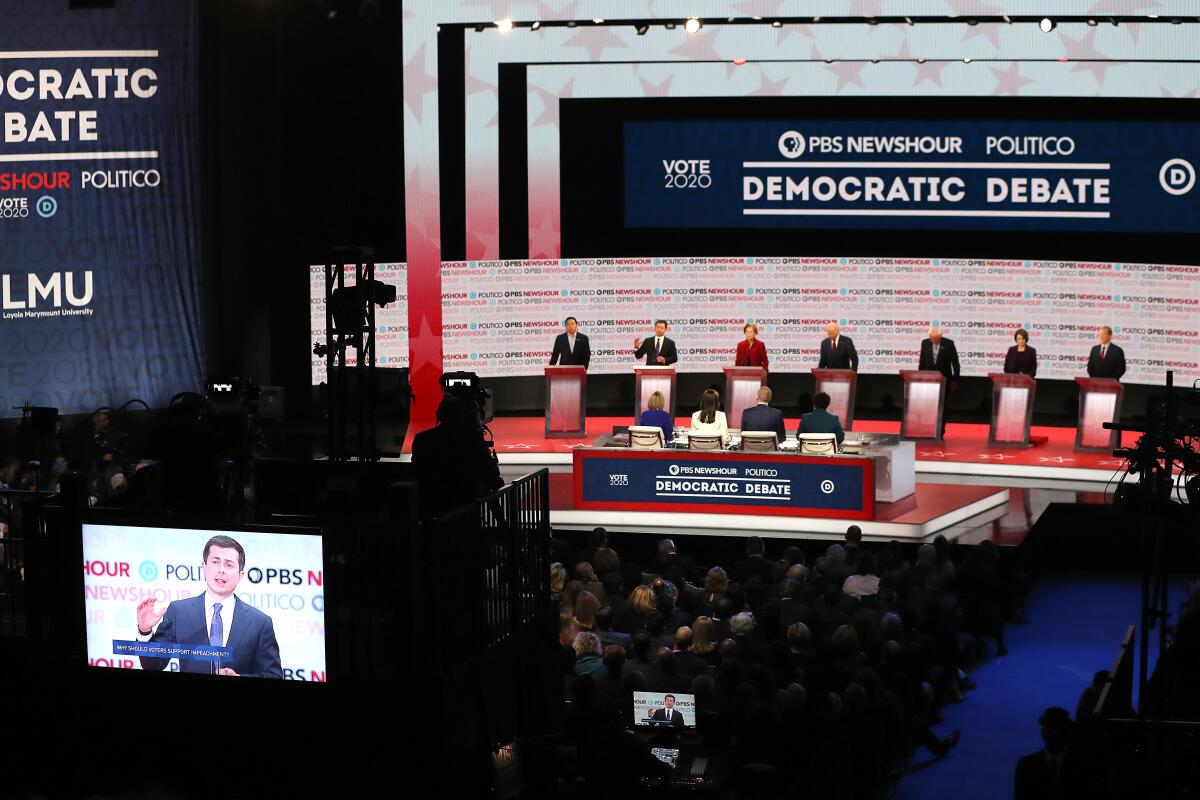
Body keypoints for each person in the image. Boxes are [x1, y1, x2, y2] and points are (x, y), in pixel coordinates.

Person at [134, 535, 282, 677]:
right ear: (203, 567)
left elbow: (273, 675)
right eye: (215, 562)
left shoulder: (260, 623)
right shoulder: (178, 612)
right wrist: (145, 631)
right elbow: (153, 664)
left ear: (240, 575)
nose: (221, 570)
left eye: (229, 564)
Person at [410, 395, 504, 518]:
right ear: (463, 415)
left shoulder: (421, 439)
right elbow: (491, 476)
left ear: (439, 414)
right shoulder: (472, 438)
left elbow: (417, 470)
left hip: (431, 503)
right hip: (464, 504)